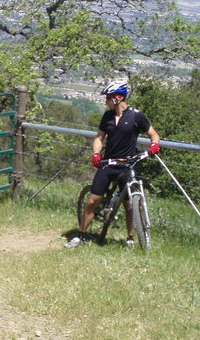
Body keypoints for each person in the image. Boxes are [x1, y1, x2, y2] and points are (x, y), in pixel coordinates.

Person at [66, 80, 161, 248]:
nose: (106, 101)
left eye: (108, 97)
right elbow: (99, 137)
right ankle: (81, 235)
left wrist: (154, 145)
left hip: (128, 165)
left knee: (129, 204)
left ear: (118, 98)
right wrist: (96, 153)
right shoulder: (107, 116)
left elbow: (154, 135)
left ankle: (131, 237)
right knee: (92, 201)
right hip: (108, 164)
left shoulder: (136, 115)